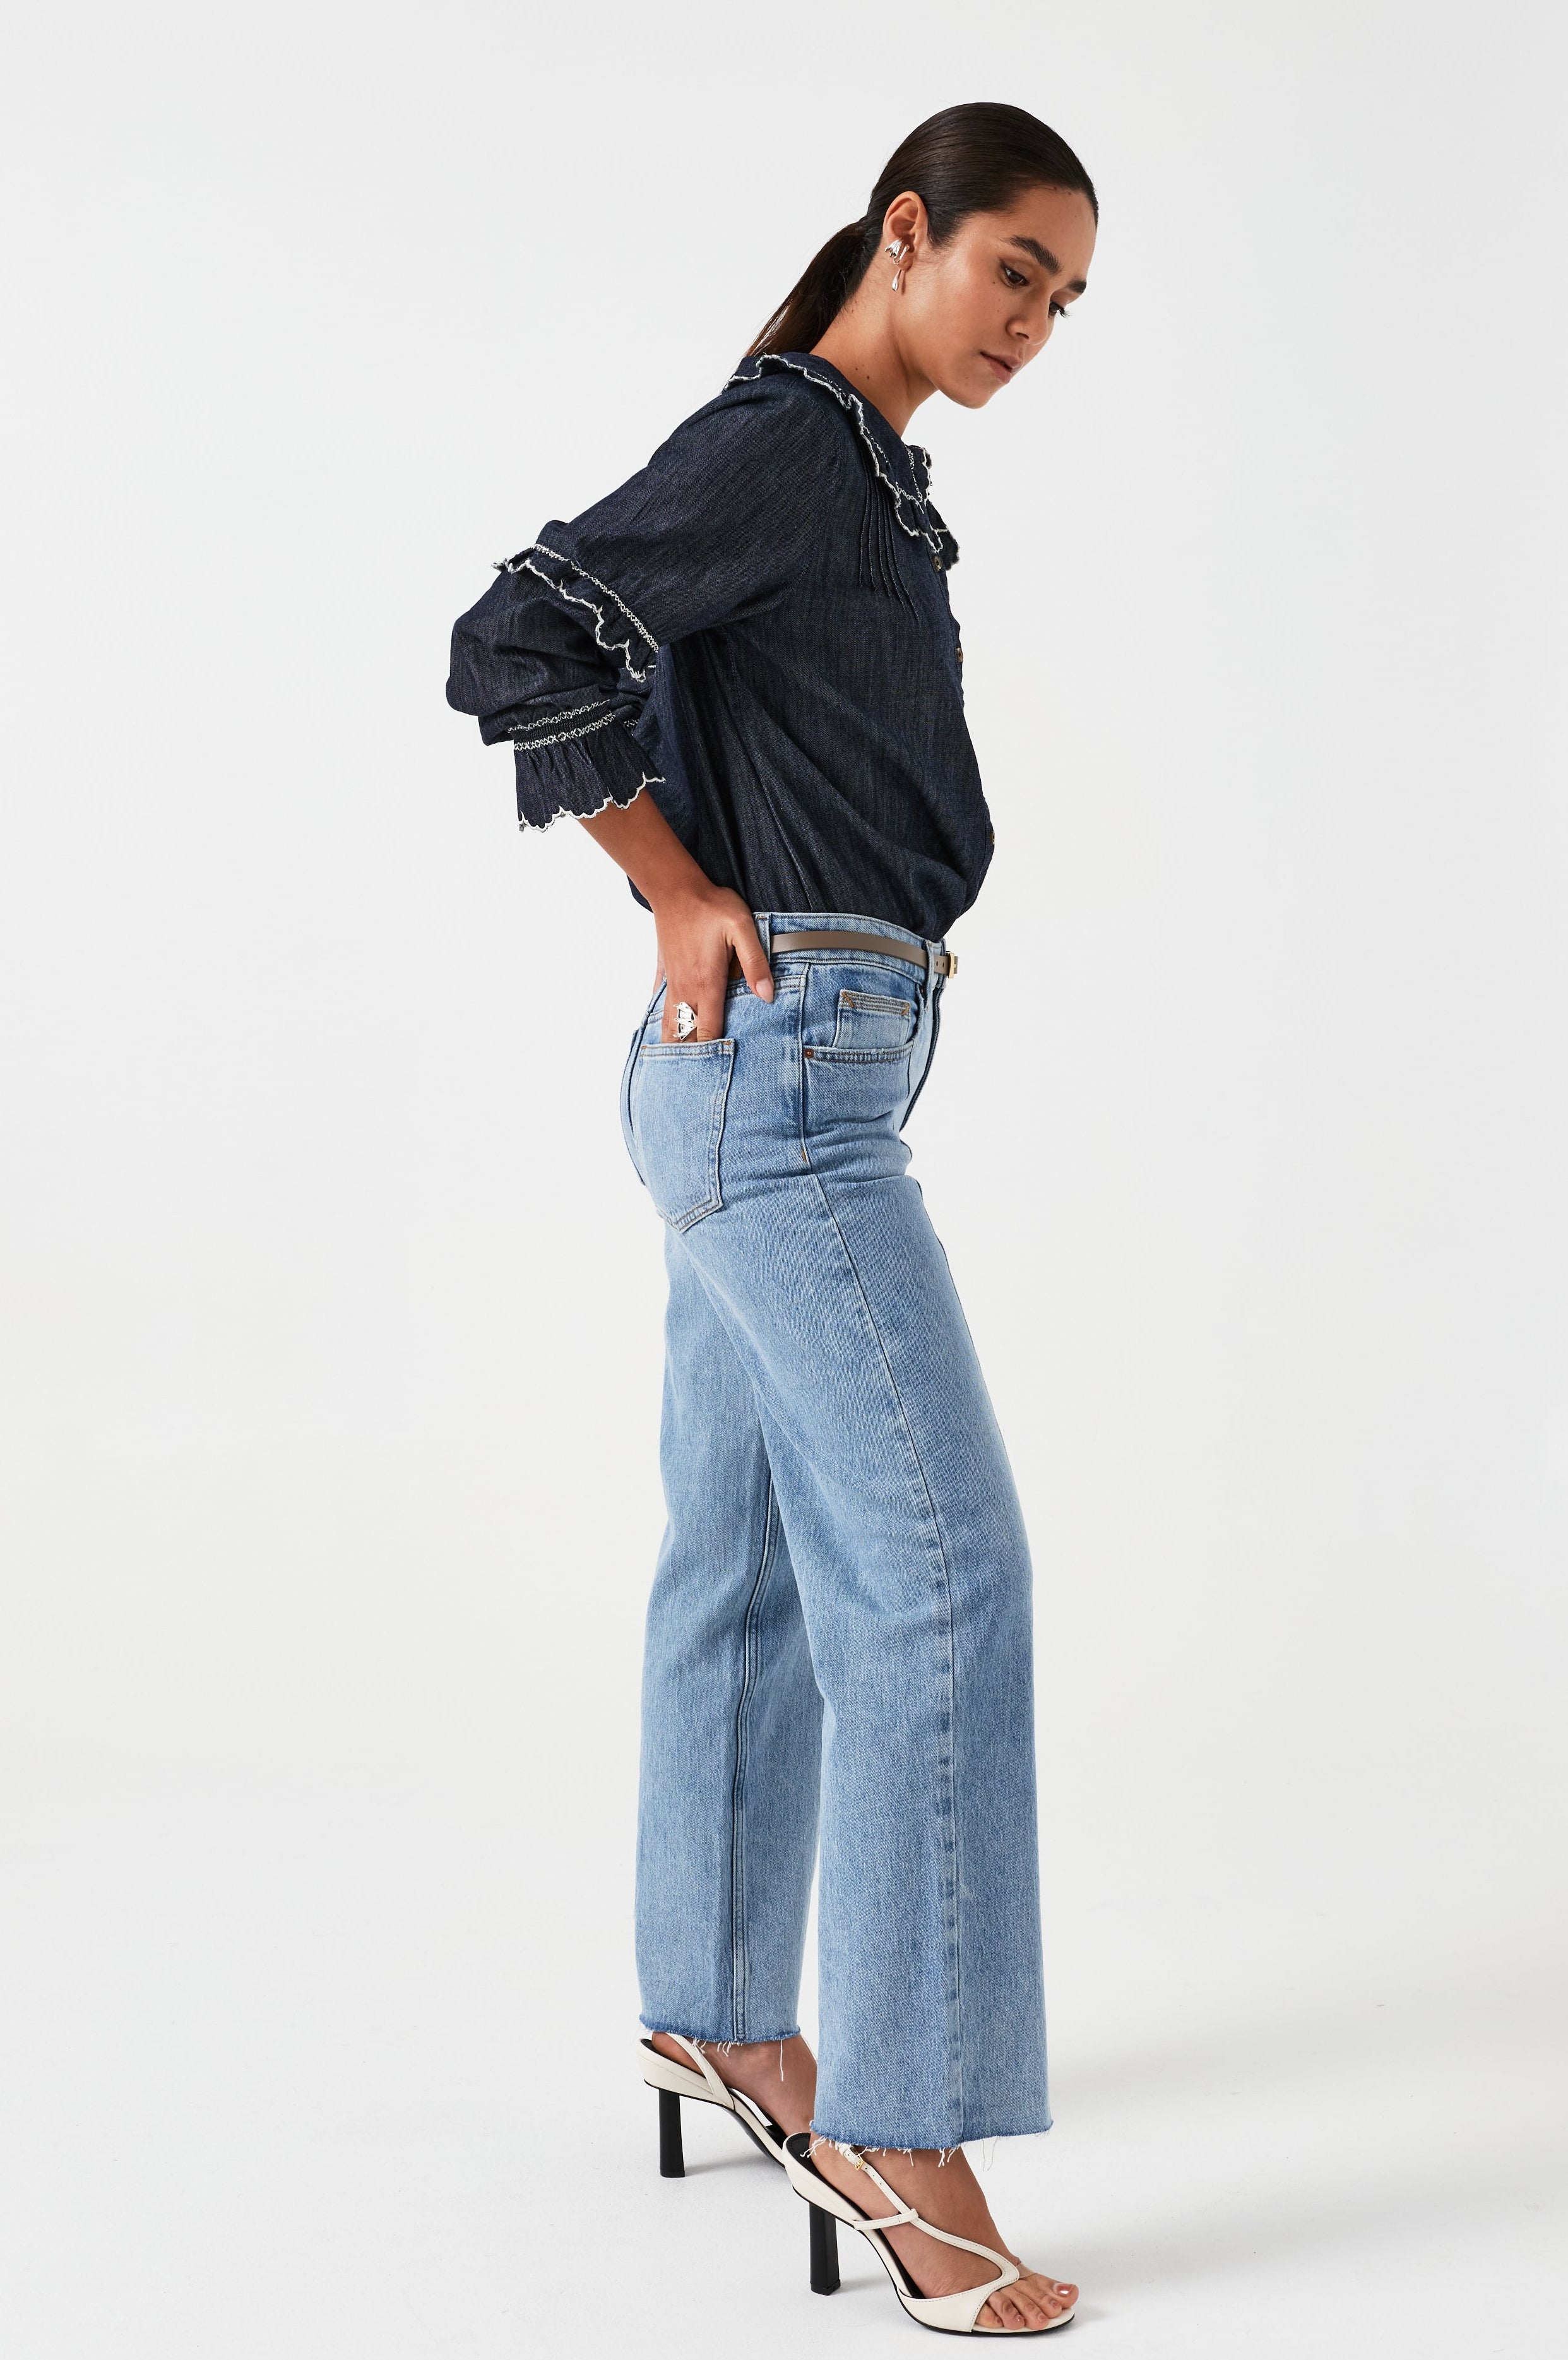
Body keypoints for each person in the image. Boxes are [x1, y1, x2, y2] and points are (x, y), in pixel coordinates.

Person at [447, 100, 1098, 2338]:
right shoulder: (792, 444)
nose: (1033, 324)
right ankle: (904, 2132)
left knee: (742, 1563)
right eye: (1012, 269)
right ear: (904, 232)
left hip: (789, 1073)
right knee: (941, 1576)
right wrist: (668, 885)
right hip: (785, 1084)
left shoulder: (865, 479)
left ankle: (721, 2008)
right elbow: (519, 630)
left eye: (1065, 302)